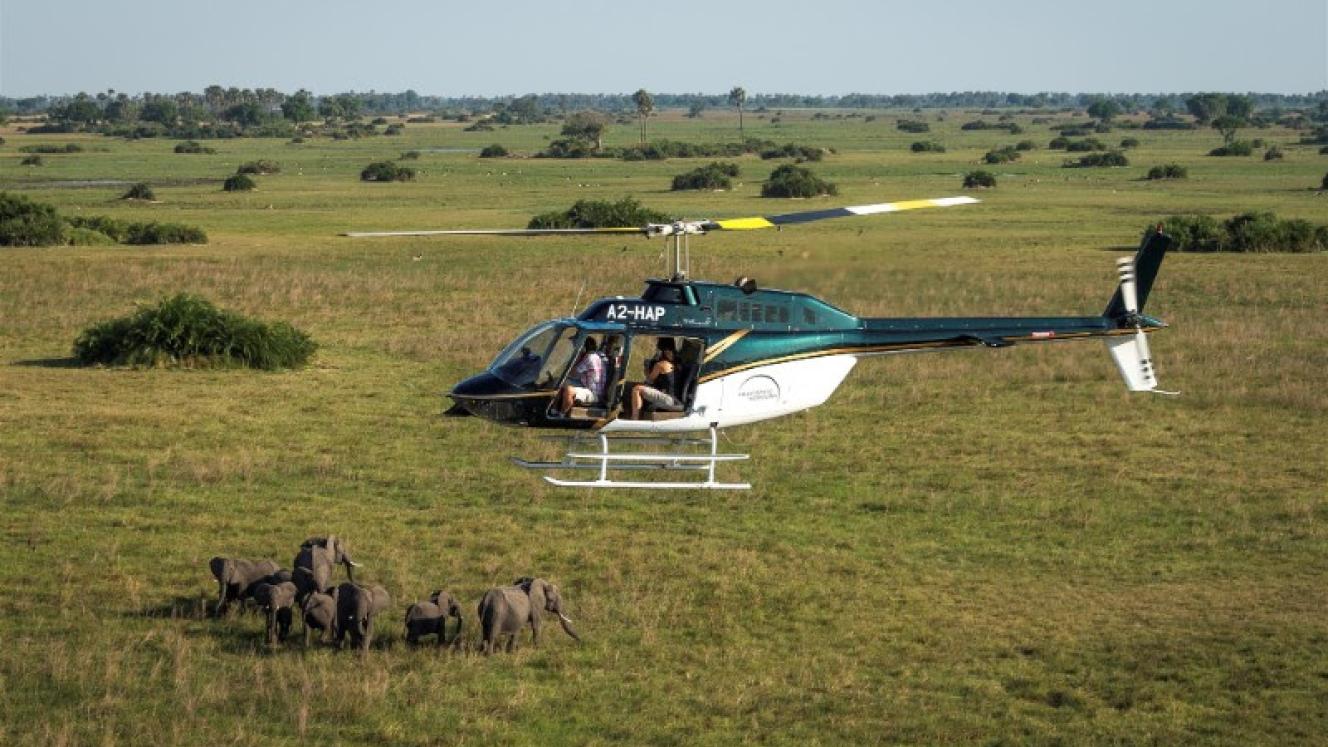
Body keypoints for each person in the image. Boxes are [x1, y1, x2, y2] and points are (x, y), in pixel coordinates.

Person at [628, 339, 682, 419]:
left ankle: (634, 419)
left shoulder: (661, 365)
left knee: (637, 389)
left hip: (669, 399)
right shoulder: (678, 364)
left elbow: (649, 380)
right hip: (676, 398)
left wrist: (646, 368)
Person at [555, 338, 605, 417]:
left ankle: (560, 414)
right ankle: (554, 409)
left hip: (593, 394)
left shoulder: (589, 358)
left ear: (583, 348)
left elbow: (571, 373)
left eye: (576, 347)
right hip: (588, 387)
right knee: (559, 382)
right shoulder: (596, 356)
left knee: (569, 390)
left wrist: (577, 357)